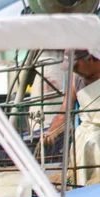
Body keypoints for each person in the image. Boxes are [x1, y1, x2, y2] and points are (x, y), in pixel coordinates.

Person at [44, 49, 100, 186]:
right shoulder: (76, 80)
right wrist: (51, 132)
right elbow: (65, 112)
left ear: (91, 58)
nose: (75, 71)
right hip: (84, 135)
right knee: (83, 142)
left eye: (76, 66)